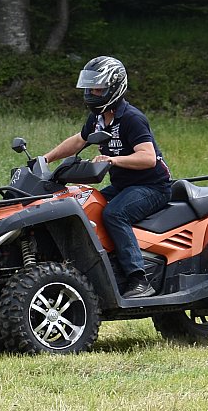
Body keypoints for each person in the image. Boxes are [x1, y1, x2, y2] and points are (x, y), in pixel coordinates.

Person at [43, 56, 171, 299]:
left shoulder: (132, 118)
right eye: (90, 88)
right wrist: (46, 158)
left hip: (152, 187)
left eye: (98, 89)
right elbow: (79, 140)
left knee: (115, 214)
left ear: (114, 88)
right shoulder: (99, 118)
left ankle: (139, 279)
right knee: (85, 205)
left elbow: (148, 158)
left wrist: (113, 160)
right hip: (123, 185)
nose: (92, 93)